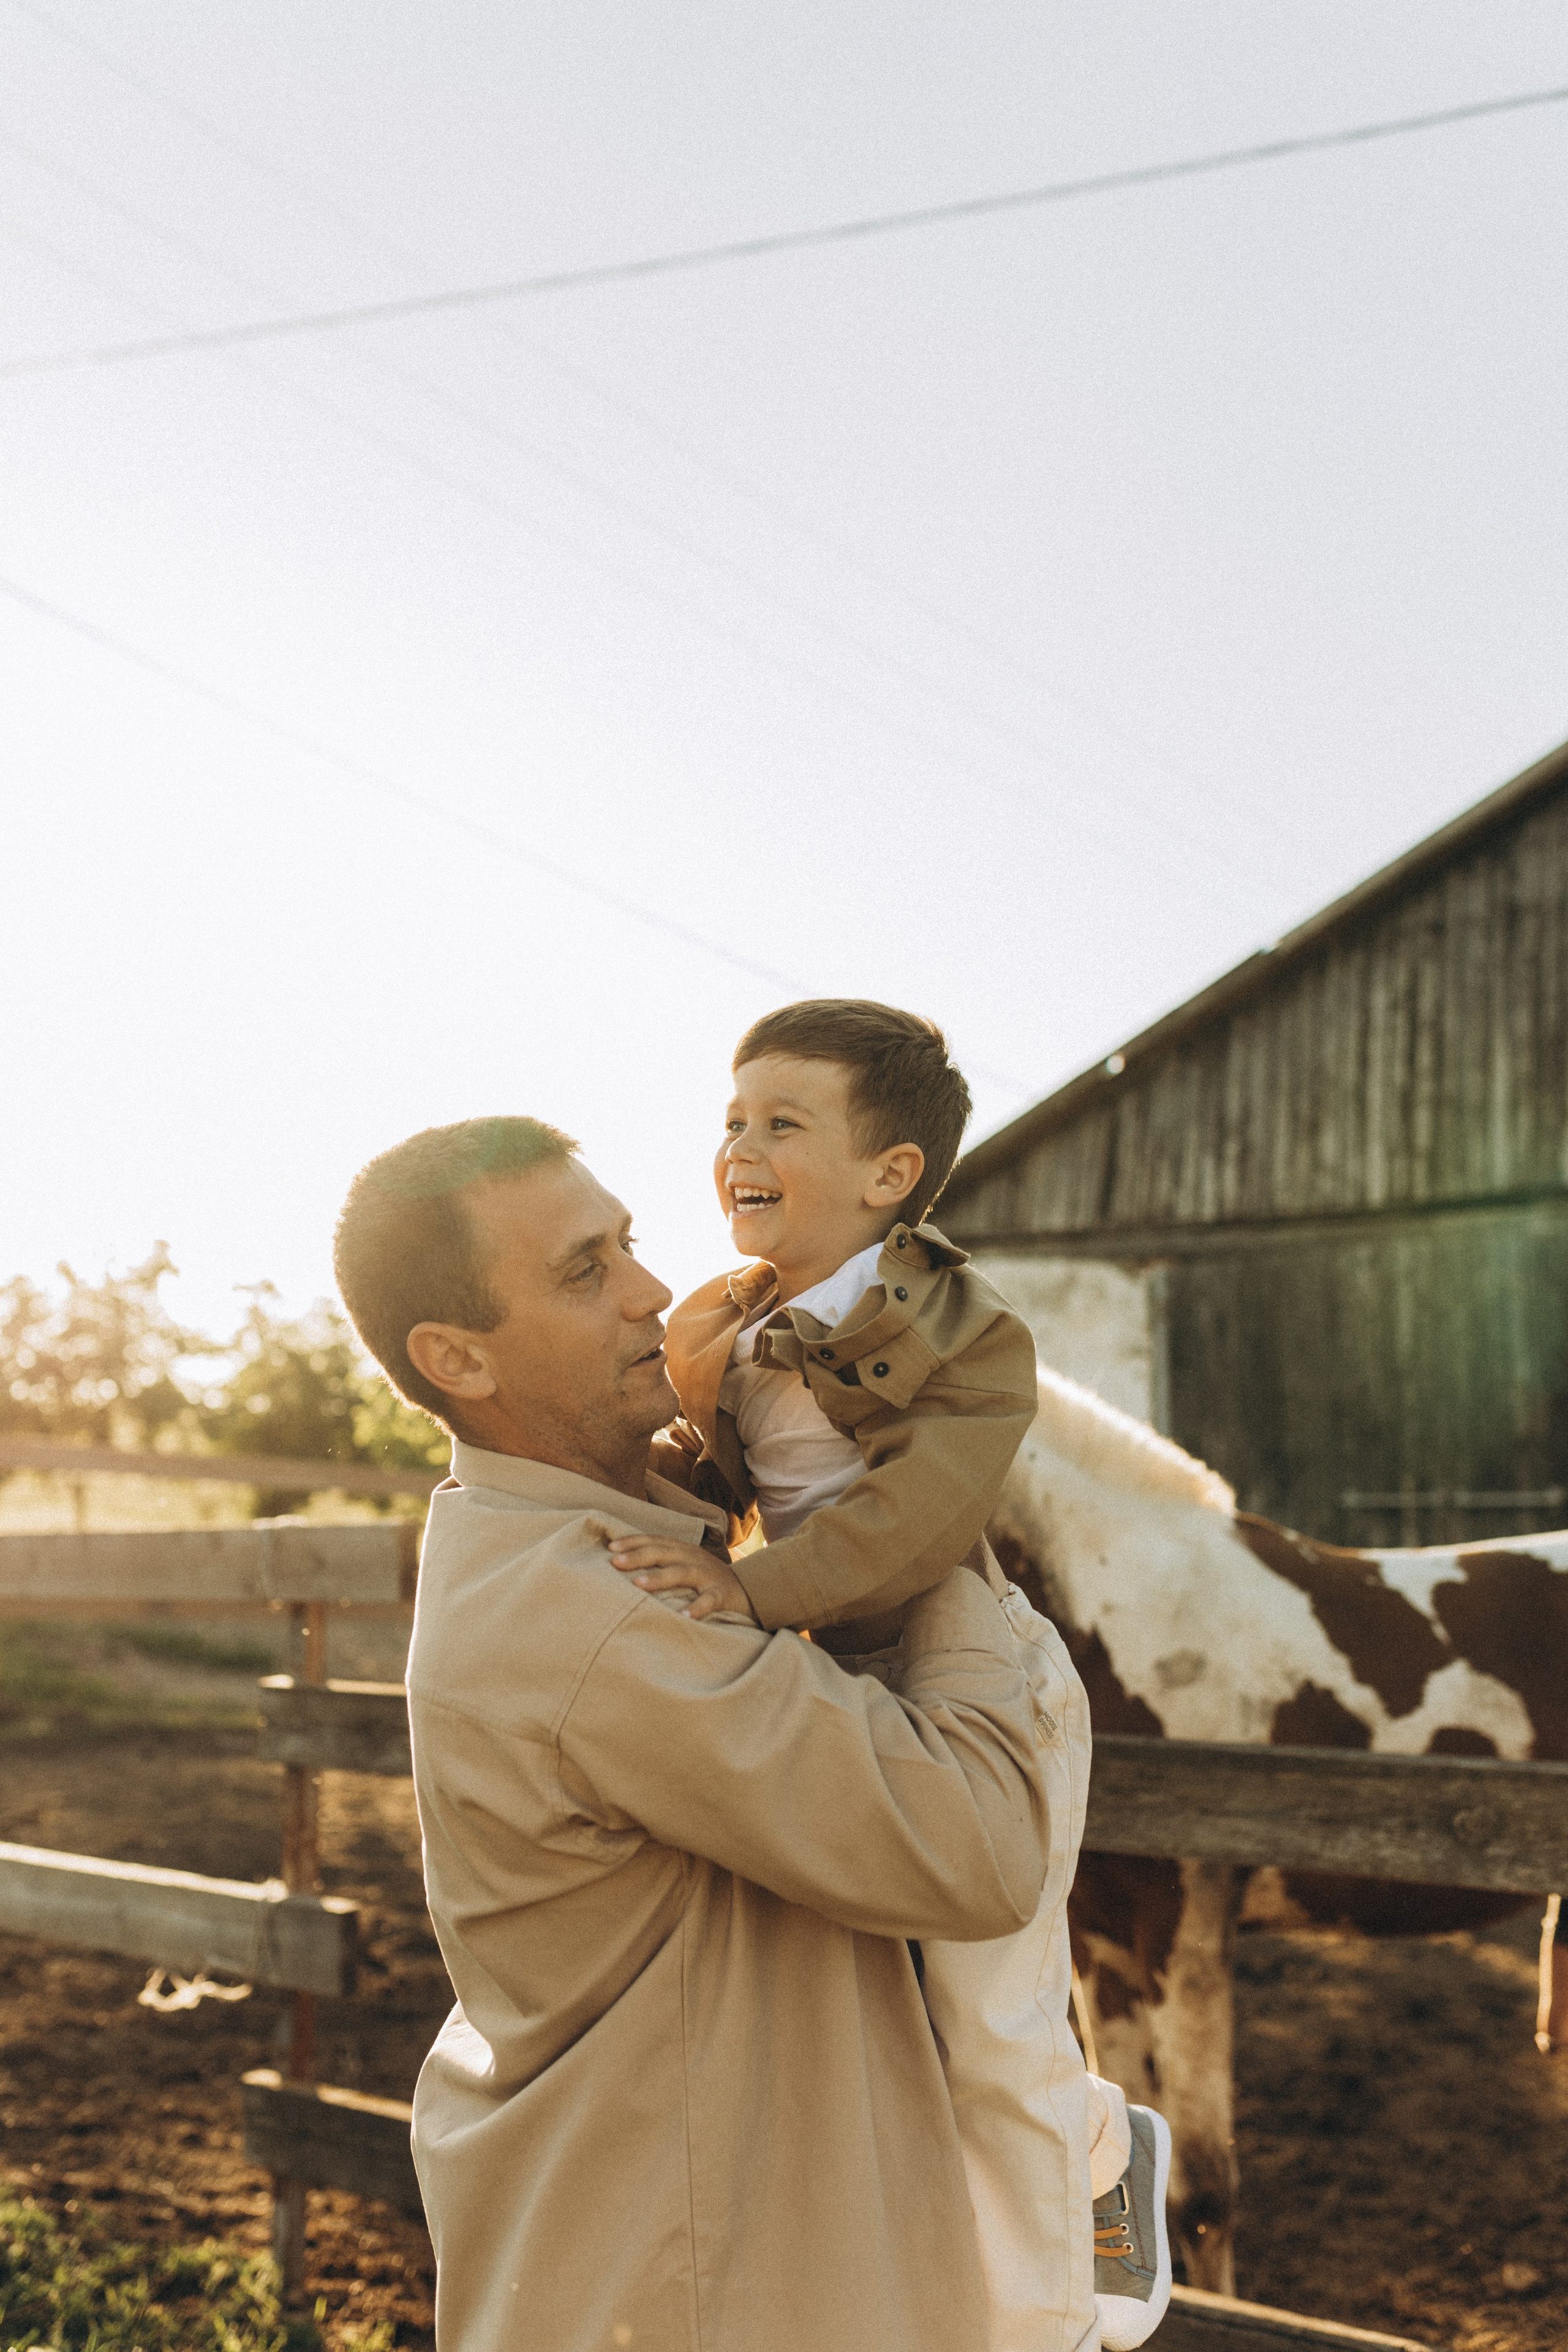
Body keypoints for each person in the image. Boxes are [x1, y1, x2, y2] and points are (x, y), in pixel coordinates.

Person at [333, 1114, 1060, 2352]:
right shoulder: (601, 1614)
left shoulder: (570, 1545)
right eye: (583, 1270)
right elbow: (981, 1845)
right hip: (708, 2289)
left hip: (662, 2258)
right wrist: (914, 1505)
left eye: (626, 1243)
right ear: (457, 1357)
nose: (651, 1292)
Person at [605, 1000, 1170, 2352]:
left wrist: (751, 1590)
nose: (738, 1142)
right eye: (731, 1118)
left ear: (890, 1175)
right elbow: (722, 1479)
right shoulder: (728, 1326)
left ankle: (1046, 2326)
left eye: (779, 1121)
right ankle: (1094, 2133)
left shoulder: (970, 1336)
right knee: (886, 2021)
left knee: (985, 2022)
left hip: (972, 1686)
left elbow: (916, 1521)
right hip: (830, 1678)